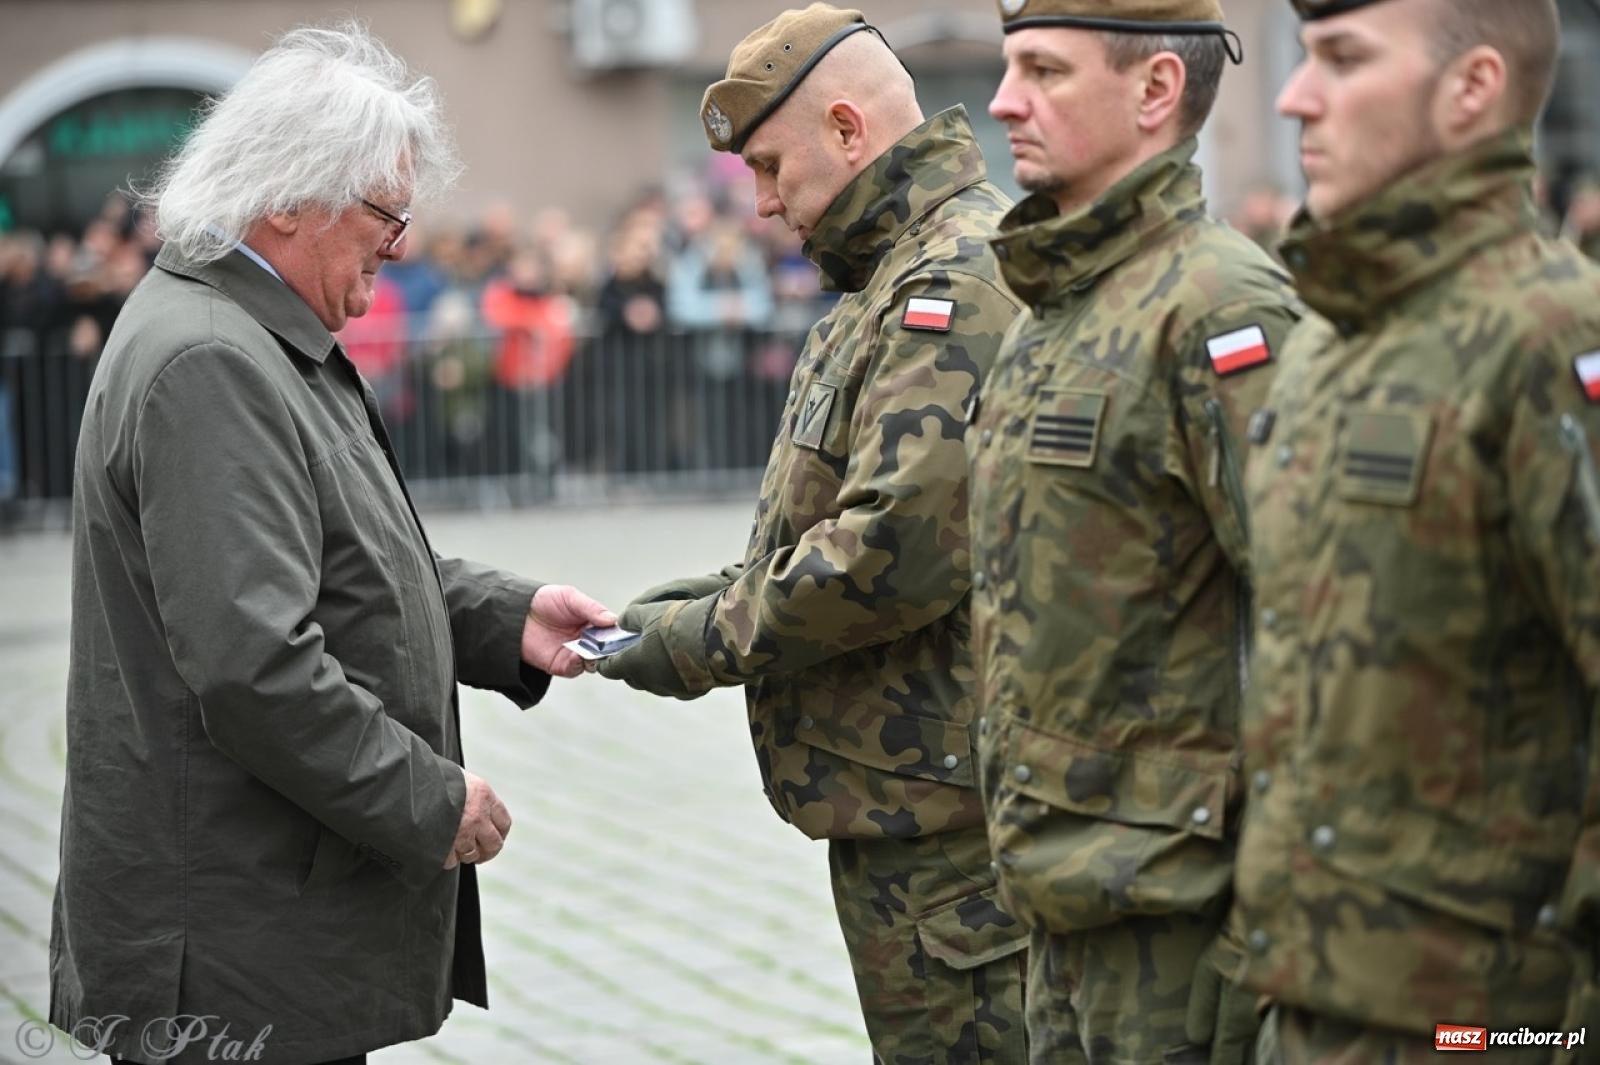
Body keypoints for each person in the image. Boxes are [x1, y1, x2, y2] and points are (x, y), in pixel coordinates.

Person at [51, 25, 613, 1065]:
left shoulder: (253, 333)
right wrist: (429, 799)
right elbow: (256, 662)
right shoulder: (212, 360)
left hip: (256, 915)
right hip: (230, 938)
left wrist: (505, 618)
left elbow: (346, 564)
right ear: (289, 201)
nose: (398, 246)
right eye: (385, 215)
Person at [600, 5, 1031, 1061]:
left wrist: (699, 639)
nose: (760, 202)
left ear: (847, 130)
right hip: (912, 801)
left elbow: (891, 551)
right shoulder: (884, 272)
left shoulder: (951, 277)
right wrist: (708, 594)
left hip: (956, 823)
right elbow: (834, 514)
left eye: (769, 167)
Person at [1225, 1, 1600, 1061]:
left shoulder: (1553, 335)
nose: (1296, 97)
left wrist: (1548, 1030)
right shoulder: (1331, 338)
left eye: (1343, 60)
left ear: (1471, 87)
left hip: (1482, 1021)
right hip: (1315, 994)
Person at [968, 1, 1304, 1061]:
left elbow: (1322, 628)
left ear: (1156, 89)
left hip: (1183, 928)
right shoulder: (1056, 305)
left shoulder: (1219, 306)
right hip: (1063, 899)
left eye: (1044, 71)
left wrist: (1268, 932)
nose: (1002, 101)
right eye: (1010, 68)